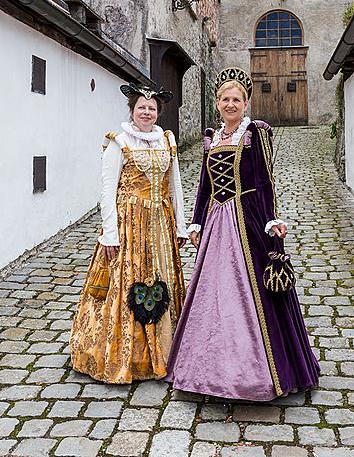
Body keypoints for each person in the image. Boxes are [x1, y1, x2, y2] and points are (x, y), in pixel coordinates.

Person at [167, 67, 320, 401]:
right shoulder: (212, 139)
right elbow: (204, 188)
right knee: (213, 295)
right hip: (216, 223)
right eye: (225, 99)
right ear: (217, 103)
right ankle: (207, 370)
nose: (230, 104)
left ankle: (259, 373)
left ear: (245, 102)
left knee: (252, 293)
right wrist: (196, 222)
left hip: (247, 220)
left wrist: (270, 220)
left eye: (236, 99)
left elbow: (265, 182)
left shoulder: (254, 133)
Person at [70, 83, 187, 384]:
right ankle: (128, 356)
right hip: (129, 224)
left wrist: (182, 224)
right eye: (141, 108)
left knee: (163, 279)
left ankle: (167, 348)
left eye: (151, 108)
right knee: (128, 283)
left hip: (161, 221)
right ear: (132, 110)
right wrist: (109, 234)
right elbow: (107, 191)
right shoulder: (118, 142)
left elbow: (175, 186)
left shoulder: (167, 141)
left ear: (158, 112)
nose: (146, 112)